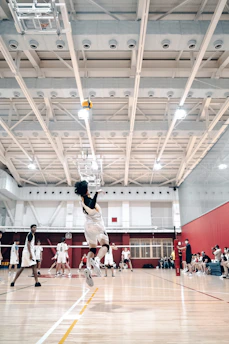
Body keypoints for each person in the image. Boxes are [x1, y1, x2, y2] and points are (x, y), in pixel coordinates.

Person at [75, 180, 109, 287]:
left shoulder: (81, 199)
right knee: (105, 246)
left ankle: (88, 267)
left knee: (92, 249)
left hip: (88, 226)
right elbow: (91, 205)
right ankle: (97, 260)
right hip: (97, 224)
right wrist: (96, 194)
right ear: (86, 190)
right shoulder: (87, 200)